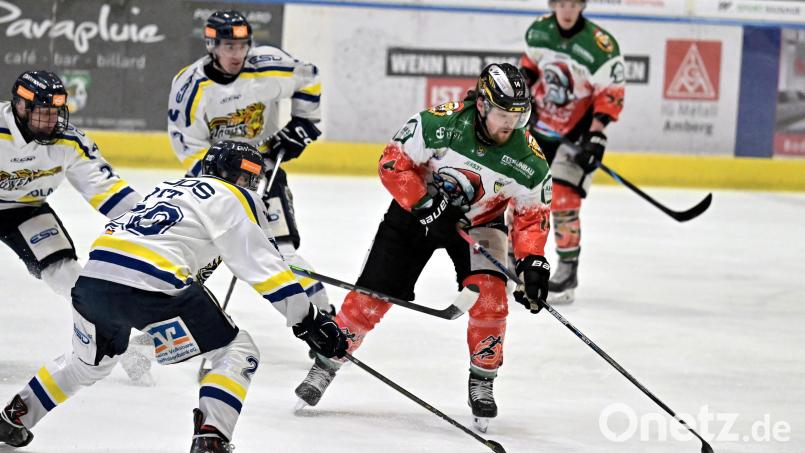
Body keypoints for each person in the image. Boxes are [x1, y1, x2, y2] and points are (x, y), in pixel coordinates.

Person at [0, 141, 347, 452]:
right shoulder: (236, 197)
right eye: (244, 175)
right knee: (236, 351)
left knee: (86, 364)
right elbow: (266, 269)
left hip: (93, 281)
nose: (249, 183)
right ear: (223, 172)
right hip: (152, 285)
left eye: (253, 178)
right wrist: (309, 322)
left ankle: (16, 416)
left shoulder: (168, 188)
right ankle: (211, 437)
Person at [293, 63, 553, 431]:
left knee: (492, 298)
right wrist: (427, 205)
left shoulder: (529, 160)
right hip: (414, 213)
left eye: (517, 114)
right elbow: (391, 163)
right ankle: (326, 364)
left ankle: (483, 380)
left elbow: (532, 215)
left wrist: (533, 263)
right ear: (481, 105)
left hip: (477, 225)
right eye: (501, 112)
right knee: (371, 296)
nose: (509, 123)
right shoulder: (439, 123)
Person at [167, 10, 331, 313]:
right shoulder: (190, 87)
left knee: (282, 252)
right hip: (215, 185)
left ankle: (327, 319)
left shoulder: (268, 66)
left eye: (242, 46)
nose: (237, 54)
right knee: (196, 257)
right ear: (211, 46)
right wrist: (223, 185)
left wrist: (303, 123)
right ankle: (171, 318)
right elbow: (188, 147)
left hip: (264, 169)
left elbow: (309, 77)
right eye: (229, 46)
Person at [0, 70, 154, 383]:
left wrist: (151, 223)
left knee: (70, 276)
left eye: (55, 112)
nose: (51, 121)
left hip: (24, 209)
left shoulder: (68, 141)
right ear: (20, 106)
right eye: (42, 113)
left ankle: (123, 349)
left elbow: (105, 188)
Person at [519, 0, 625, 303]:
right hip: (540, 126)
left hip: (578, 133)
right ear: (554, 4)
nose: (567, 10)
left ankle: (567, 272)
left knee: (564, 199)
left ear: (582, 5)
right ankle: (517, 261)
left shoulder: (599, 46)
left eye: (573, 4)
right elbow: (528, 69)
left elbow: (610, 93)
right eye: (561, 3)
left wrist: (596, 137)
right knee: (522, 192)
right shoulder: (540, 31)